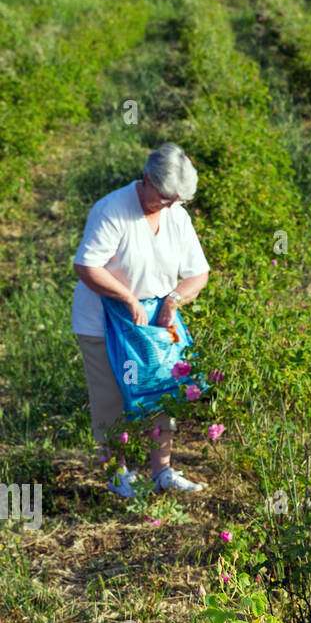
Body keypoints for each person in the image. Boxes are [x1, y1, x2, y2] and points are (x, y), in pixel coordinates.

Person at [72, 142, 210, 496]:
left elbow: (198, 274)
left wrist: (174, 299)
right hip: (104, 321)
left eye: (174, 199)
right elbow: (86, 266)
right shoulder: (113, 210)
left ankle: (161, 471)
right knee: (112, 396)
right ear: (146, 179)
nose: (167, 205)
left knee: (162, 390)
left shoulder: (176, 214)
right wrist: (127, 297)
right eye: (163, 196)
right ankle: (119, 475)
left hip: (156, 324)